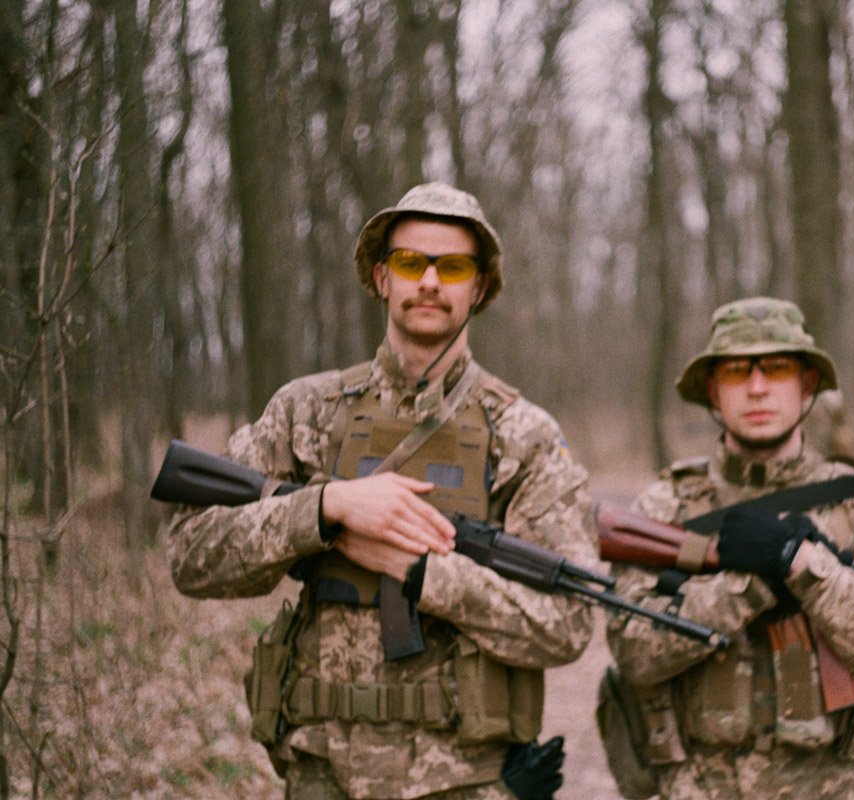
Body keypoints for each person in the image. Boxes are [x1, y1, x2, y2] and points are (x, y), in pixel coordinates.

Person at [167, 182, 596, 800]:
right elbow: (189, 555)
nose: (429, 280)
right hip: (321, 772)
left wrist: (422, 572)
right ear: (381, 277)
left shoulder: (523, 436)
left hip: (464, 779)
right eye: (409, 262)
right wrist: (323, 510)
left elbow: (568, 625)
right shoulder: (305, 412)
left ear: (479, 288)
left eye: (451, 266)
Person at [603, 297, 854, 800]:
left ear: (807, 385)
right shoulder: (665, 508)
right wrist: (747, 587)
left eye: (777, 368)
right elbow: (632, 650)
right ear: (713, 392)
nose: (757, 387)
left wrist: (804, 566)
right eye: (737, 372)